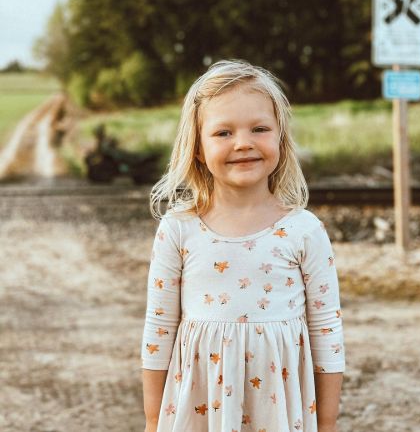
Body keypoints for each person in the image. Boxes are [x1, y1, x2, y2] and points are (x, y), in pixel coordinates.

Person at [141, 59, 345, 432]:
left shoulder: (304, 231)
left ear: (280, 138)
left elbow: (327, 331)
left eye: (259, 129)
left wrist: (327, 423)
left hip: (278, 411)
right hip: (202, 412)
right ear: (198, 148)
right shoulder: (178, 230)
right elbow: (159, 329)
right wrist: (154, 421)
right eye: (223, 133)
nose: (243, 143)